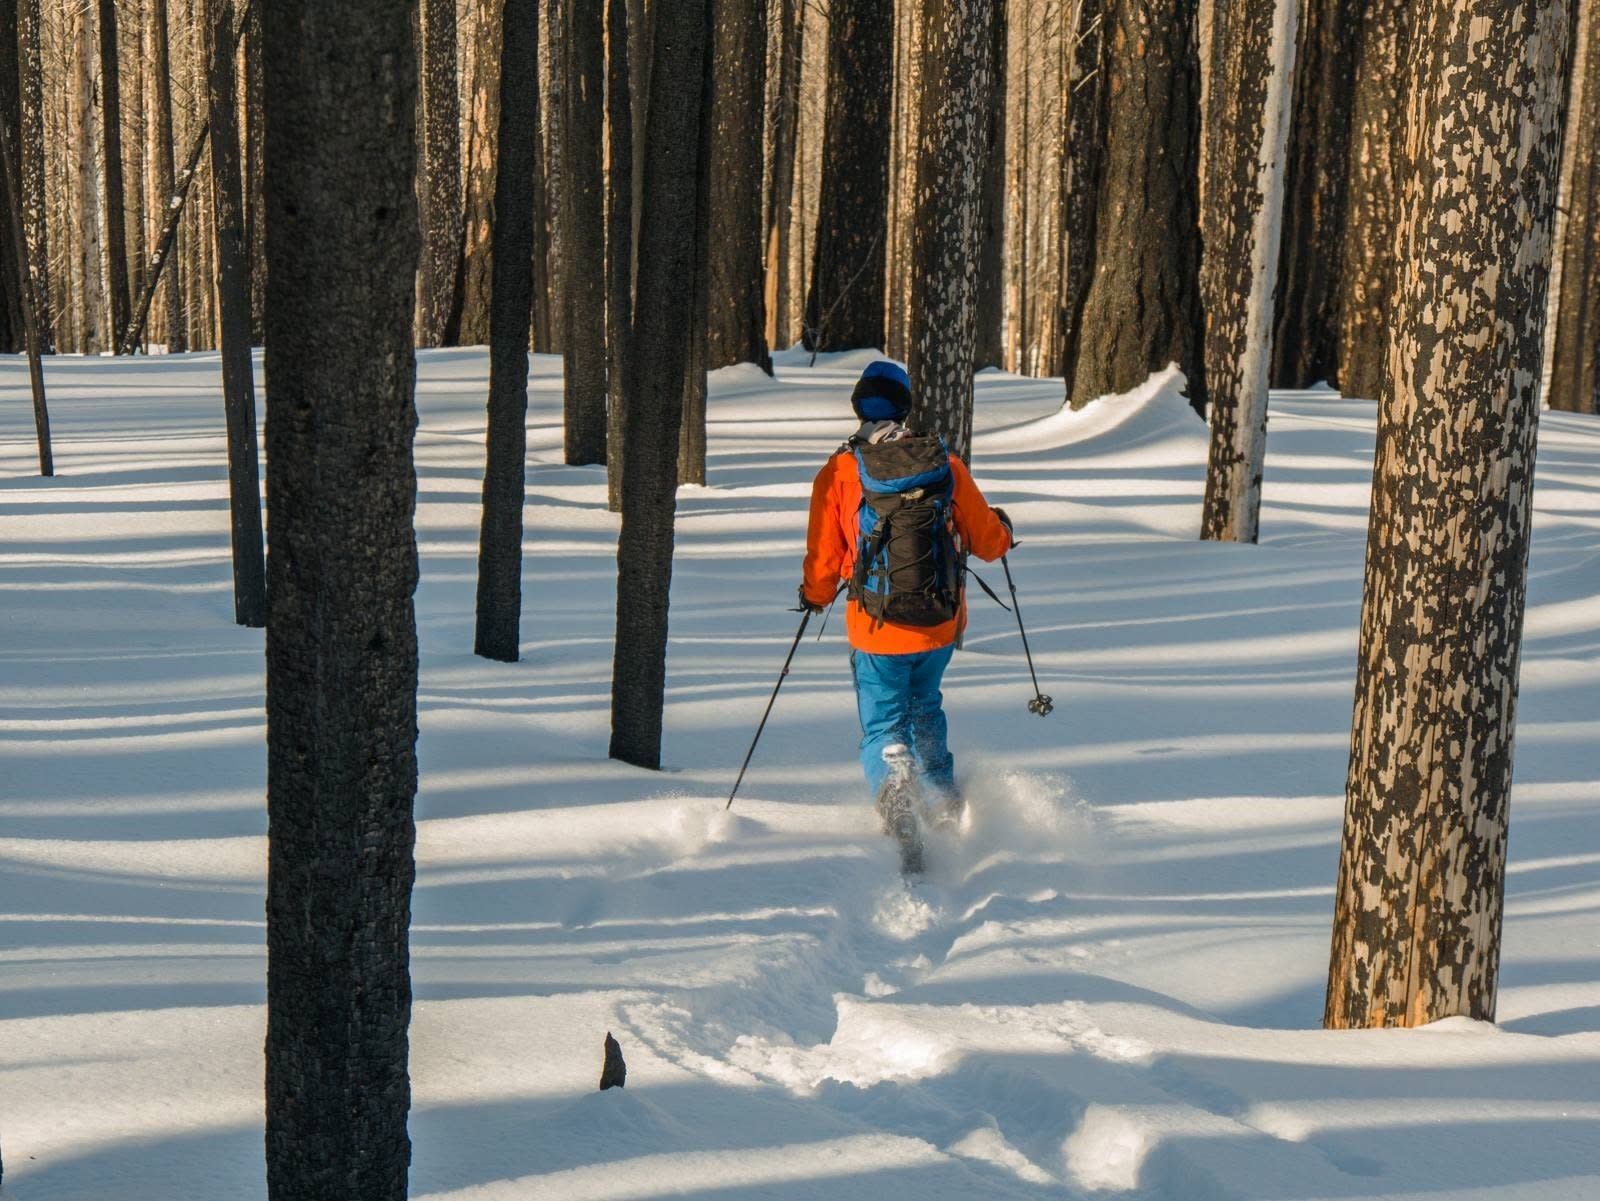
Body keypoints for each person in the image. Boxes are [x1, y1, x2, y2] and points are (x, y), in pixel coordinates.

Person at [799, 360, 1013, 861]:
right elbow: (987, 542)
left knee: (884, 724)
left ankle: (895, 786)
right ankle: (941, 796)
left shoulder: (839, 472)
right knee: (925, 704)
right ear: (905, 404)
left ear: (858, 407)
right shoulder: (943, 464)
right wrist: (1003, 529)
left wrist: (813, 594)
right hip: (938, 621)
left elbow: (825, 559)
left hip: (875, 626)